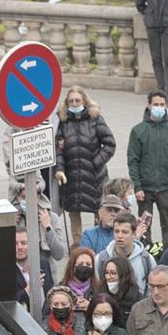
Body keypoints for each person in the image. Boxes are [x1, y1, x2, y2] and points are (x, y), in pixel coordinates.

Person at [53, 87, 115, 245]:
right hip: (72, 176)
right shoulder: (63, 122)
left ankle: (99, 242)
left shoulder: (95, 119)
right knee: (74, 212)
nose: (74, 103)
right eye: (71, 101)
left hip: (95, 176)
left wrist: (95, 163)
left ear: (85, 101)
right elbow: (58, 150)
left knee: (98, 210)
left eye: (78, 100)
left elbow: (109, 144)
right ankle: (78, 245)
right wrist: (59, 170)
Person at [127, 92, 168, 246]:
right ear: (149, 106)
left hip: (165, 187)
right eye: (156, 104)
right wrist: (137, 186)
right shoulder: (138, 130)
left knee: (167, 222)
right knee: (144, 223)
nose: (159, 107)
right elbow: (133, 160)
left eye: (162, 105)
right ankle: (145, 251)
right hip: (145, 188)